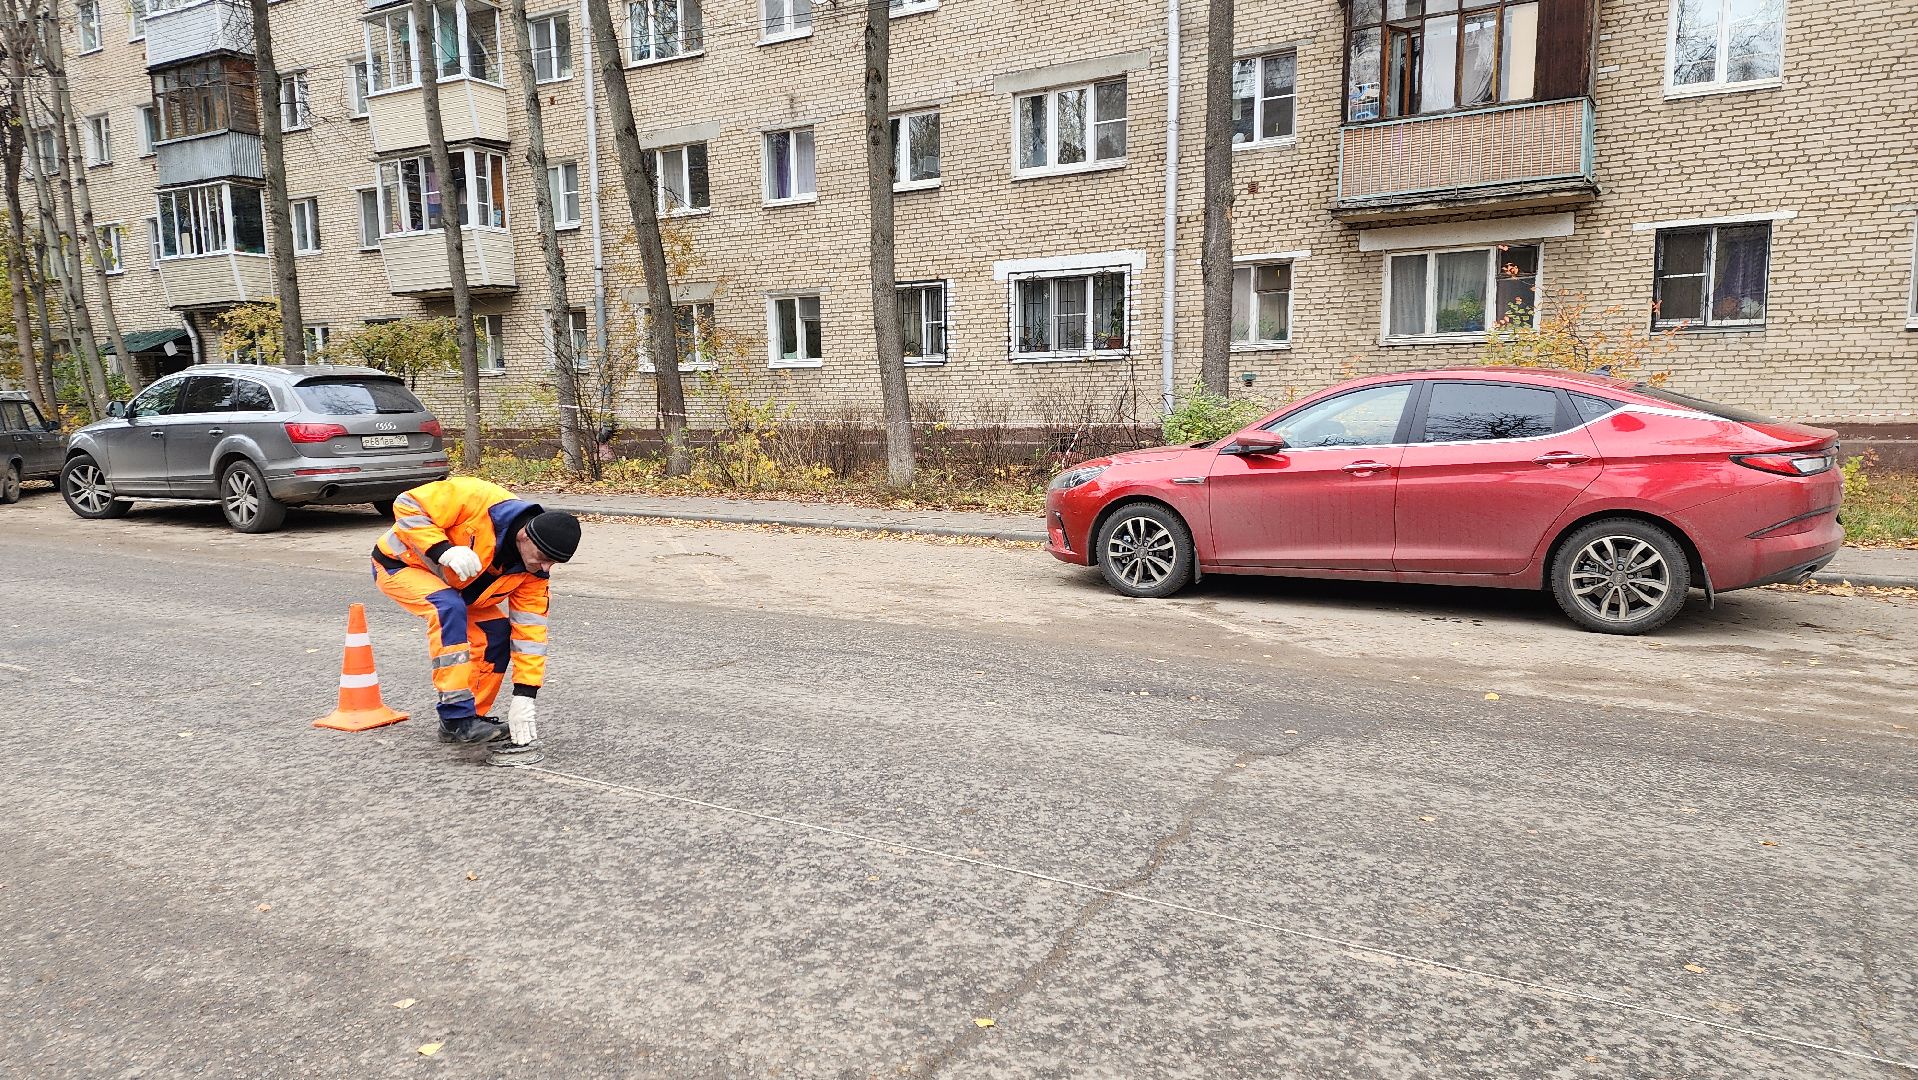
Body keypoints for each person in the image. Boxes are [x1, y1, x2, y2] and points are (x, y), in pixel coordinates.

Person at [370, 477, 579, 747]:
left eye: (554, 563)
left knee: (496, 634)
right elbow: (408, 504)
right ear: (524, 535)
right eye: (543, 557)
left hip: (459, 594)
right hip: (399, 565)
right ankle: (456, 715)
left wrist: (525, 695)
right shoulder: (476, 497)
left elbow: (530, 634)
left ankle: (468, 720)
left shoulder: (535, 574)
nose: (546, 568)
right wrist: (442, 550)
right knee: (446, 607)